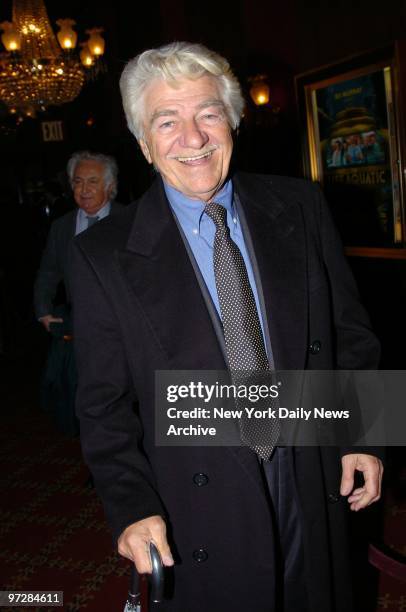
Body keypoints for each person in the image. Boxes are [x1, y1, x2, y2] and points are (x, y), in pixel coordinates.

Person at [71, 43, 383, 612]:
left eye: (208, 113)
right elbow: (102, 406)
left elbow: (351, 333)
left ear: (234, 121)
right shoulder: (102, 255)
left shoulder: (301, 205)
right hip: (197, 496)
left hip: (308, 464)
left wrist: (365, 437)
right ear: (144, 141)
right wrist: (131, 504)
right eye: (168, 121)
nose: (193, 138)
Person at [34, 151, 120, 329]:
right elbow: (48, 273)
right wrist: (43, 311)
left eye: (93, 182)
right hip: (79, 327)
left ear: (110, 186)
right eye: (78, 182)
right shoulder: (61, 227)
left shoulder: (129, 221)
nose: (84, 189)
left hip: (124, 325)